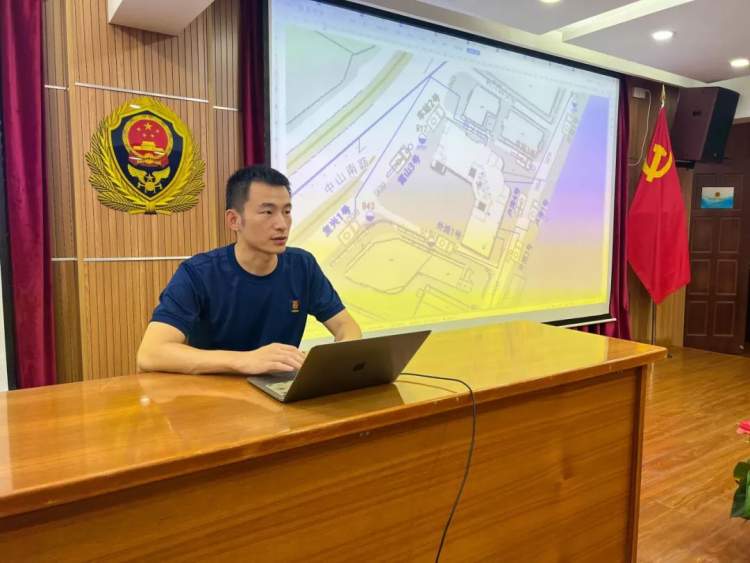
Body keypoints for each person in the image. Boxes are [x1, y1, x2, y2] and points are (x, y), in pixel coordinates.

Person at [137, 165, 362, 375]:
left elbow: (347, 327)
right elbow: (150, 353)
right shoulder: (198, 273)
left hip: (279, 392)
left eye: (286, 211)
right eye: (268, 212)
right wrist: (245, 360)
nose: (282, 224)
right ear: (234, 220)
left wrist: (332, 364)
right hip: (215, 394)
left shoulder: (302, 265)